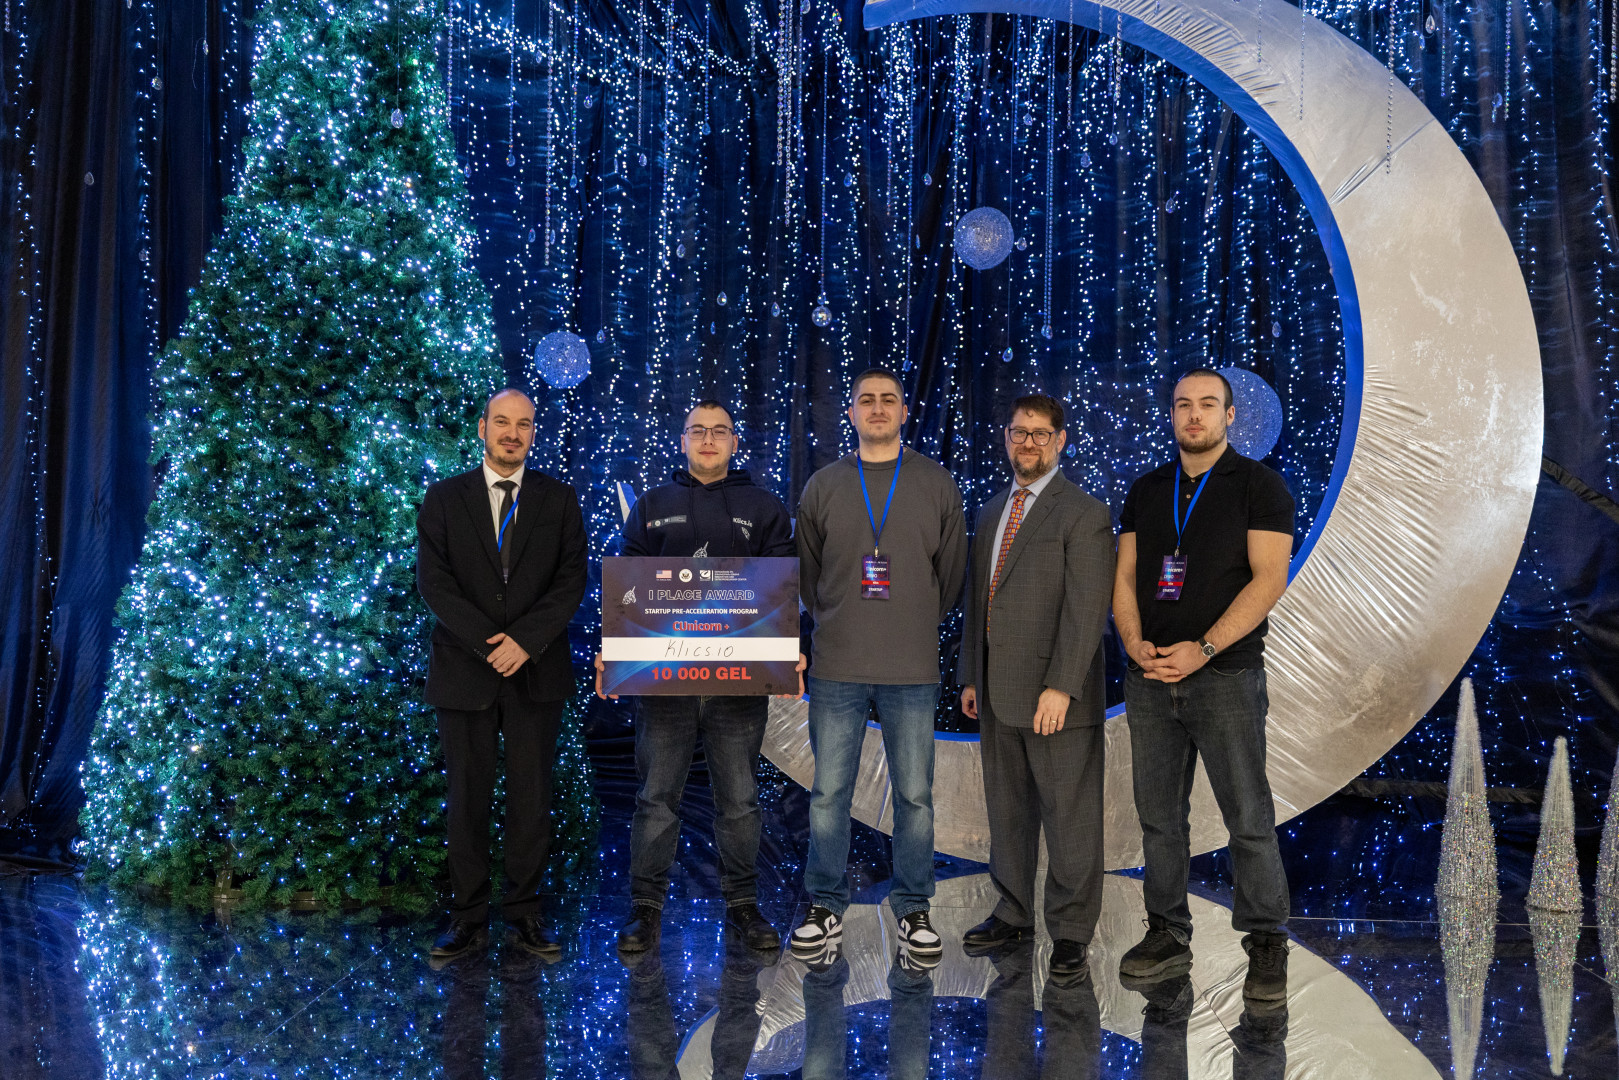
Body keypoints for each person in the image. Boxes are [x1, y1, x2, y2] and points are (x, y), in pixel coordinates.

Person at [1113, 369, 1295, 1001]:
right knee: (1160, 820)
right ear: (1172, 414)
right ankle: (1166, 931)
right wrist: (1132, 641)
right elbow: (1125, 576)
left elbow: (1269, 578)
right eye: (1184, 405)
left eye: (1208, 405)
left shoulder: (1260, 486)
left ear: (1230, 415)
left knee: (1248, 816)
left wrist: (1205, 648)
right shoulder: (1146, 489)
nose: (1195, 415)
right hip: (1150, 677)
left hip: (1226, 676)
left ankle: (1266, 941)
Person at [596, 400, 794, 954]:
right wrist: (612, 650)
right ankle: (645, 909)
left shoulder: (765, 506)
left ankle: (744, 905)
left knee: (740, 799)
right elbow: (626, 586)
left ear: (734, 443)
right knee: (656, 797)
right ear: (683, 440)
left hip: (739, 681)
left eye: (719, 431)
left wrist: (791, 651)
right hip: (665, 681)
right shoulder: (653, 505)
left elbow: (782, 587)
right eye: (698, 431)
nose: (708, 439)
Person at [791, 367, 968, 959]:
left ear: (903, 412)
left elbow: (950, 579)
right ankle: (825, 904)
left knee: (914, 797)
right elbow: (808, 578)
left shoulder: (936, 483)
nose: (877, 408)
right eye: (865, 400)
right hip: (836, 666)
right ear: (851, 412)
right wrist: (841, 620)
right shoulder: (823, 486)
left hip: (911, 669)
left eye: (888, 399)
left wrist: (910, 623)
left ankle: (914, 909)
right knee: (828, 795)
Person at [416, 388, 588, 960]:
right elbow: (435, 583)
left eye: (524, 424)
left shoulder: (559, 500)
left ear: (533, 433)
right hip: (465, 671)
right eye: (503, 423)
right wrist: (492, 644)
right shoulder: (444, 498)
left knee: (531, 799)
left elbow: (571, 581)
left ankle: (525, 912)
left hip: (536, 672)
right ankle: (467, 916)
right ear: (483, 428)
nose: (513, 433)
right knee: (466, 797)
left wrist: (525, 642)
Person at [958, 394, 1114, 981]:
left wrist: (1062, 687)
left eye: (1041, 434)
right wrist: (970, 674)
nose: (1029, 443)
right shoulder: (991, 511)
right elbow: (980, 601)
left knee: (1070, 818)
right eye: (1020, 432)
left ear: (1060, 441)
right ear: (1006, 437)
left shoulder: (1085, 513)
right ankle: (1014, 912)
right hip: (996, 691)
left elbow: (1086, 610)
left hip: (1056, 697)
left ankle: (1071, 933)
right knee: (1009, 812)